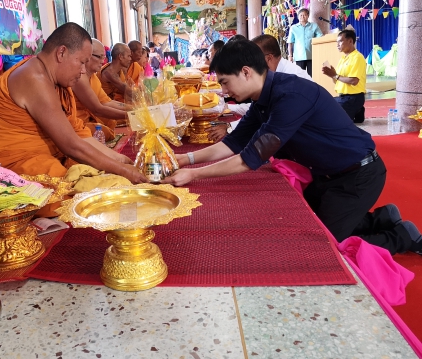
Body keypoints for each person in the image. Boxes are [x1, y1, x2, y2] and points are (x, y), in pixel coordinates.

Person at [164, 38, 418, 256]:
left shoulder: (290, 96)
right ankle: (383, 218)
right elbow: (232, 144)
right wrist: (184, 160)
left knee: (326, 246)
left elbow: (248, 159)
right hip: (327, 175)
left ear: (246, 72)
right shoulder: (262, 98)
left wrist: (194, 174)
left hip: (358, 175)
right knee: (309, 223)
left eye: (225, 82)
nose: (223, 90)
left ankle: (403, 236)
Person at [0, 23, 146, 189]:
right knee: (62, 185)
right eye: (81, 62)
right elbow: (71, 145)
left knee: (86, 169)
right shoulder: (33, 77)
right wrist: (123, 171)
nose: (83, 71)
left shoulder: (58, 82)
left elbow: (78, 133)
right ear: (61, 53)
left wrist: (121, 161)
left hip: (35, 154)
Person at [207, 34, 311, 142]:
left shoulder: (289, 80)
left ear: (268, 58)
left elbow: (272, 121)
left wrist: (229, 125)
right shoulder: (271, 78)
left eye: (253, 59)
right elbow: (256, 112)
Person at [73, 39, 128, 139]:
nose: (103, 61)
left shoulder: (93, 77)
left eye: (104, 57)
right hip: (78, 123)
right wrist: (131, 115)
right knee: (105, 131)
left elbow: (107, 102)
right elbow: (97, 109)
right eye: (99, 57)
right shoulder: (80, 77)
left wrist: (135, 109)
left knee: (111, 124)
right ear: (87, 55)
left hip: (92, 117)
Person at [321, 29, 367, 123]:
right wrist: (332, 75)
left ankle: (356, 109)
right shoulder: (343, 59)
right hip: (343, 96)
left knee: (332, 119)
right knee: (323, 105)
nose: (337, 45)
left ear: (350, 41)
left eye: (340, 41)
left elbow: (354, 81)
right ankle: (357, 111)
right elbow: (338, 79)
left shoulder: (357, 57)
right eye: (336, 42)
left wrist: (335, 75)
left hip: (354, 97)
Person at [287, 8, 323, 76]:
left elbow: (320, 36)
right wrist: (290, 56)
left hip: (312, 55)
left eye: (305, 15)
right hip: (299, 56)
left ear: (308, 16)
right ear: (298, 17)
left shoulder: (314, 25)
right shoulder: (293, 28)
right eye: (301, 15)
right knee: (300, 76)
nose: (303, 17)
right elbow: (290, 42)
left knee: (312, 76)